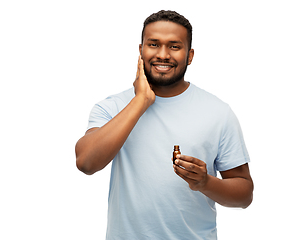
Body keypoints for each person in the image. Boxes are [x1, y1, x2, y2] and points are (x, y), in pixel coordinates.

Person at [75, 10, 253, 239]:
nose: (163, 54)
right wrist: (140, 101)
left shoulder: (218, 112)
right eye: (153, 44)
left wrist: (205, 182)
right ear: (141, 51)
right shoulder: (112, 106)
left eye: (174, 46)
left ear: (190, 56)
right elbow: (86, 162)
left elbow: (244, 195)